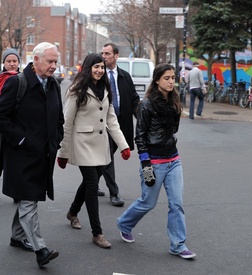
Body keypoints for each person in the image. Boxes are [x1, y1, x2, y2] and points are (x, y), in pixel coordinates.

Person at [117, 63, 196, 259]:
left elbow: (173, 130)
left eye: (172, 78)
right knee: (147, 202)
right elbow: (140, 136)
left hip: (173, 160)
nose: (171, 81)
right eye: (167, 78)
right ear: (157, 80)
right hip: (153, 162)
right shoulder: (146, 105)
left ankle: (178, 245)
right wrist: (146, 165)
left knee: (176, 204)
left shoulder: (174, 102)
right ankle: (125, 223)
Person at [57, 53, 131, 249]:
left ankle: (72, 212)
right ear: (88, 68)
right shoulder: (76, 90)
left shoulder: (105, 88)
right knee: (91, 183)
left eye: (102, 67)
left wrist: (123, 145)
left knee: (90, 181)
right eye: (95, 67)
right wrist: (63, 152)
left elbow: (111, 119)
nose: (99, 70)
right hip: (82, 144)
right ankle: (97, 233)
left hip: (101, 145)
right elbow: (67, 122)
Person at [0, 42, 64, 267]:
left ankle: (17, 237)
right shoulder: (18, 83)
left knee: (31, 196)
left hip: (44, 154)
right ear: (36, 60)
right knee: (28, 200)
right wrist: (22, 139)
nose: (54, 66)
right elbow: (2, 118)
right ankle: (40, 249)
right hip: (21, 155)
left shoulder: (53, 84)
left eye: (55, 61)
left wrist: (56, 139)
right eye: (50, 61)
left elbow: (58, 117)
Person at [99, 43, 140, 206]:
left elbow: (134, 98)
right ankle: (114, 193)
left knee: (103, 158)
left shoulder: (124, 76)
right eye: (102, 53)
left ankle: (91, 183)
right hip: (103, 124)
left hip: (121, 124)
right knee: (107, 156)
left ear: (116, 56)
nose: (104, 56)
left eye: (107, 53)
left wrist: (141, 116)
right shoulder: (98, 76)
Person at [0, 48, 21, 178]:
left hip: (15, 126)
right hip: (2, 123)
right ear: (4, 63)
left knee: (15, 164)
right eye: (9, 61)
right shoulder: (1, 78)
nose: (12, 63)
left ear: (19, 62)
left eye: (15, 61)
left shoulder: (23, 79)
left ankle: (17, 194)